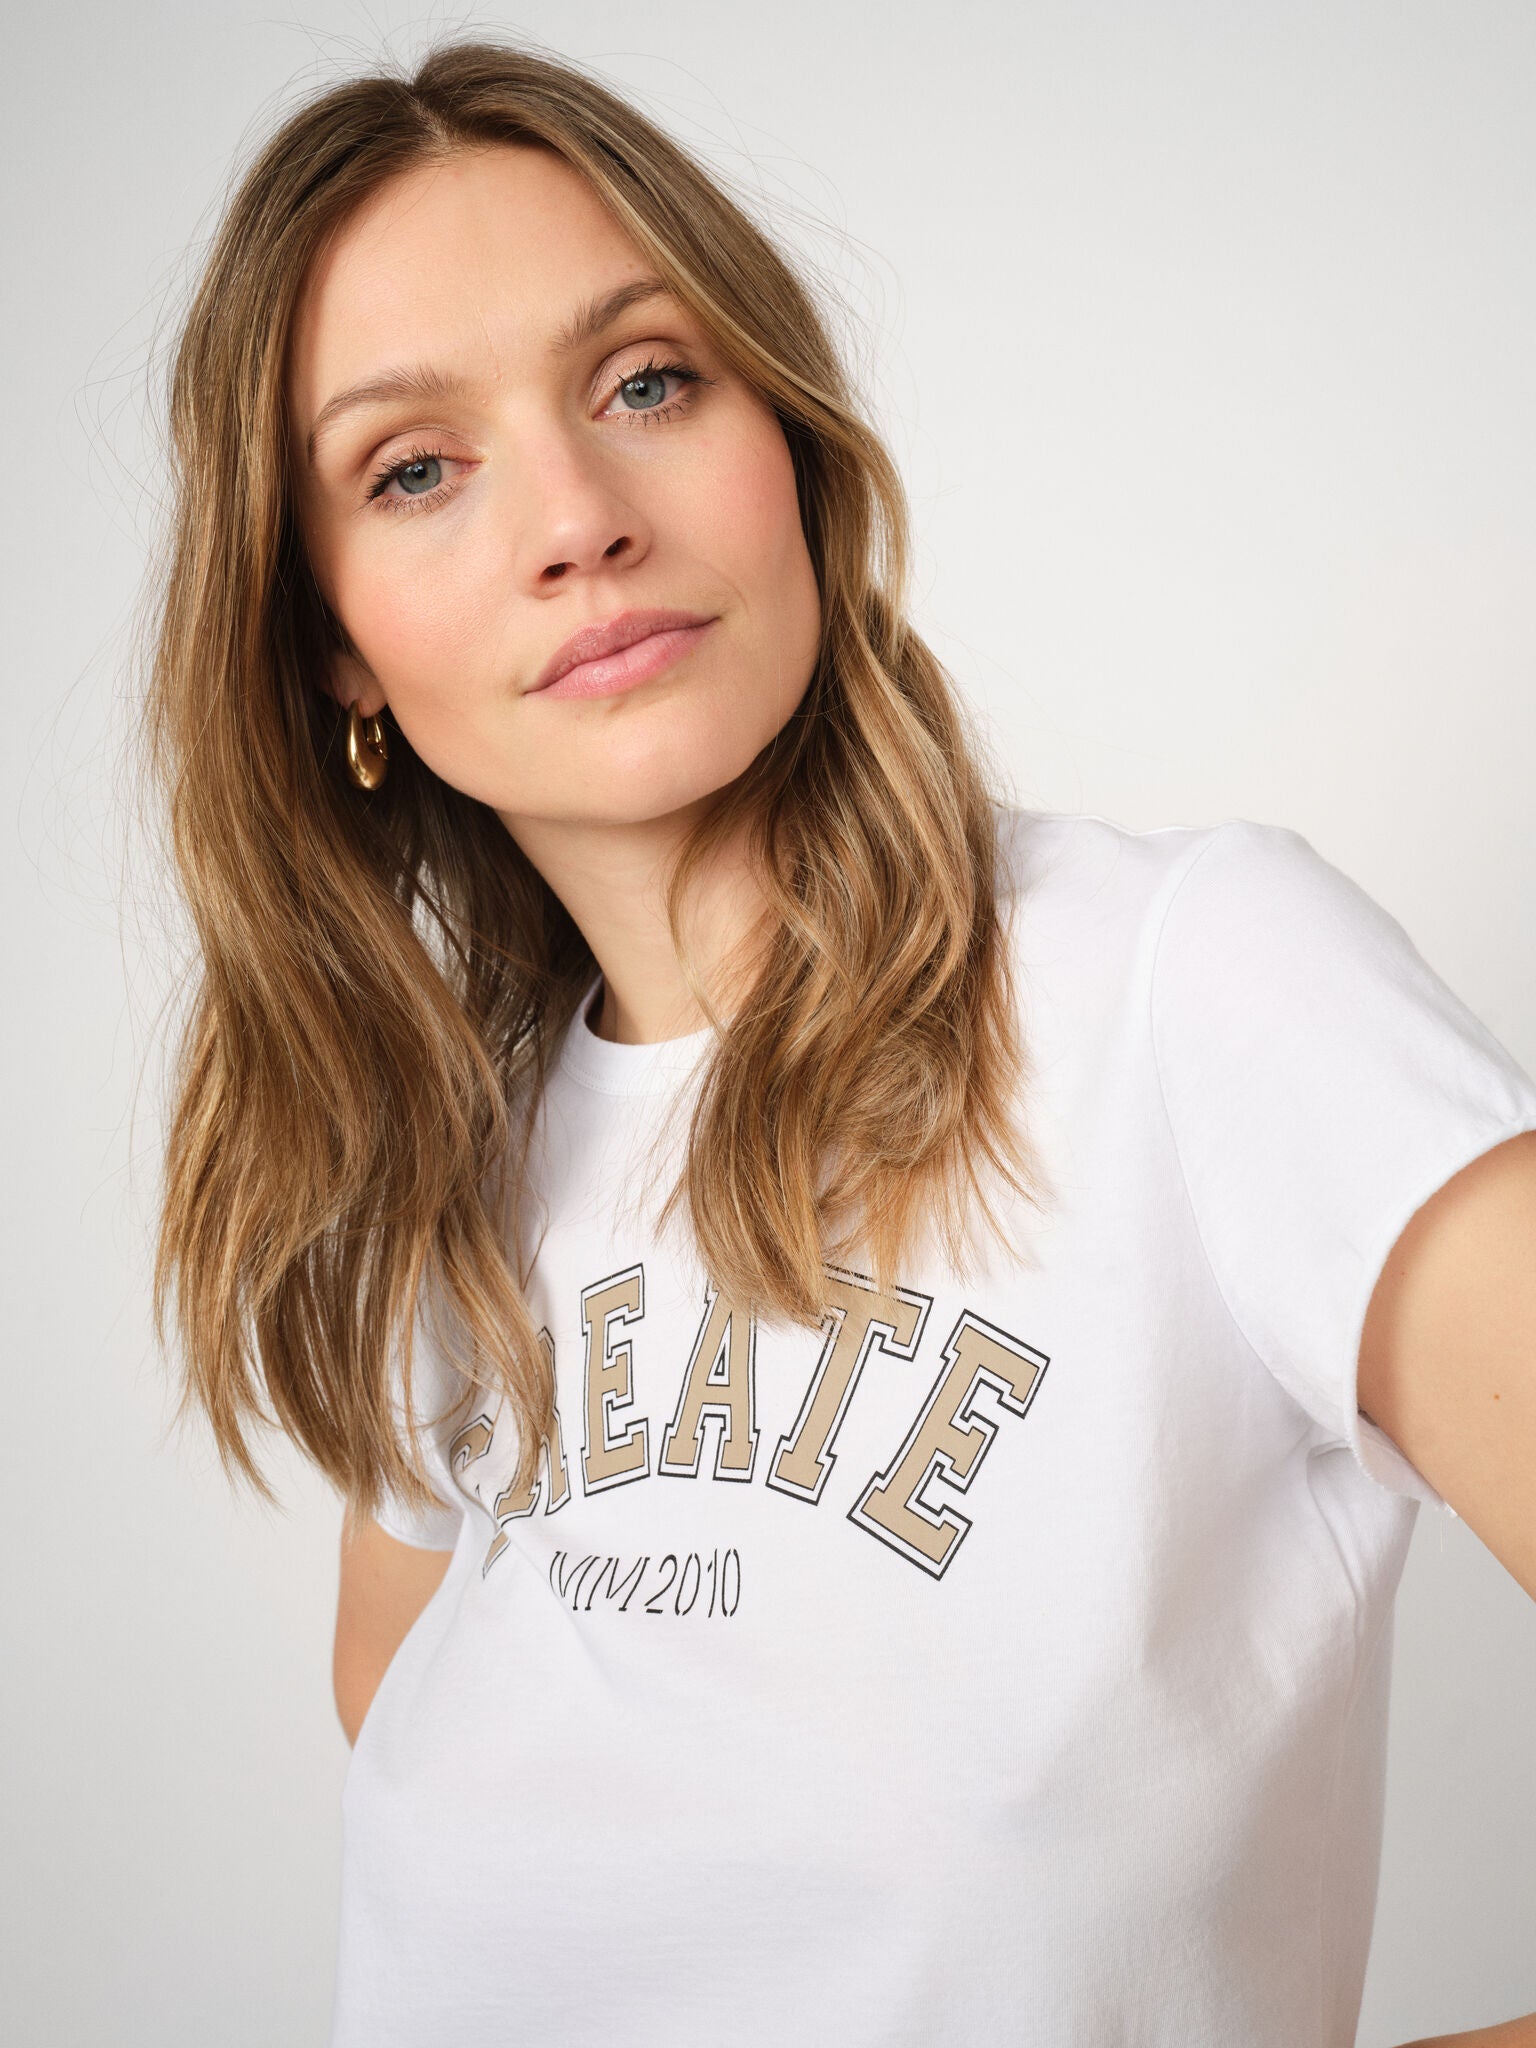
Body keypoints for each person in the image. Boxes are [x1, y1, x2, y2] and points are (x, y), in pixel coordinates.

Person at [140, 35, 1536, 2048]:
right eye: (415, 469)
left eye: (646, 380)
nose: (576, 519)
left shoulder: (1193, 993)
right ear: (333, 643)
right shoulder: (440, 1188)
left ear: (784, 439)